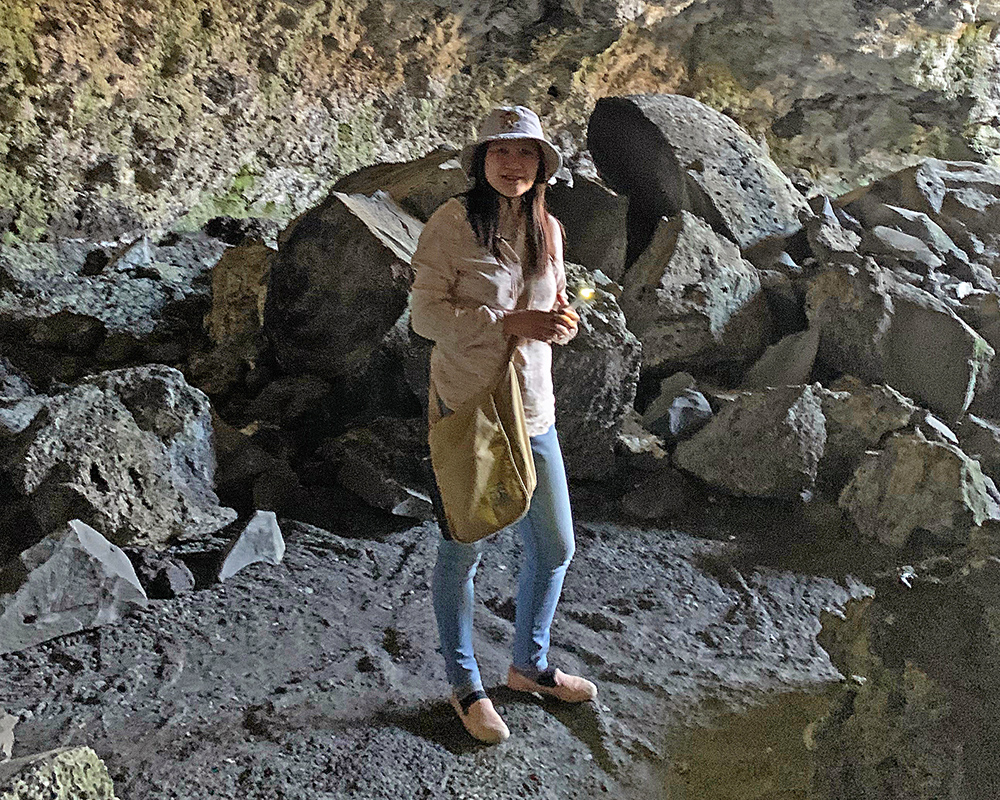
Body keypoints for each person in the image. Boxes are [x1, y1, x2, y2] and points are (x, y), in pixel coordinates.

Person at [410, 105, 597, 745]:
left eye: (526, 154)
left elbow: (553, 300)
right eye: (500, 152)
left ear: (543, 164)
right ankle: (465, 684)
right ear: (482, 161)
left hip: (534, 407)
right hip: (469, 403)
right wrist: (504, 324)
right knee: (463, 544)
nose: (513, 164)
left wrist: (562, 319)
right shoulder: (451, 223)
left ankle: (528, 666)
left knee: (555, 545)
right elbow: (426, 319)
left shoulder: (549, 228)